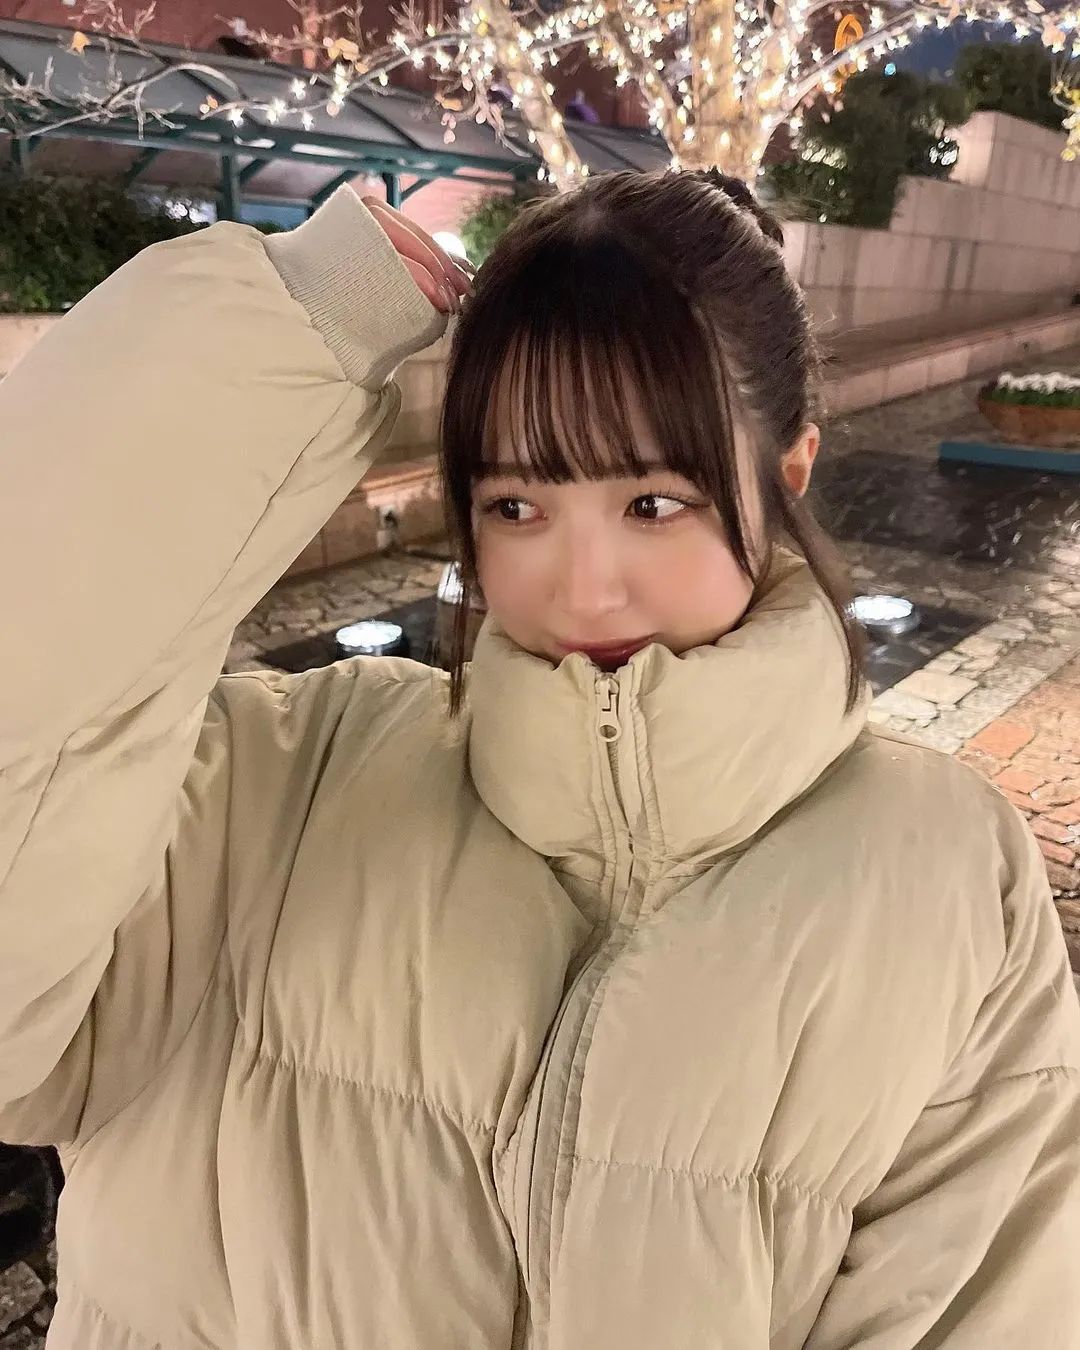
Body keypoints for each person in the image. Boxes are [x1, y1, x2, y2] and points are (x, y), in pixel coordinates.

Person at [1, 169, 1077, 1350]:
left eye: (653, 503)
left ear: (788, 472)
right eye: (516, 506)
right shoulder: (280, 783)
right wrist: (280, 330)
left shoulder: (946, 876)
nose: (582, 587)